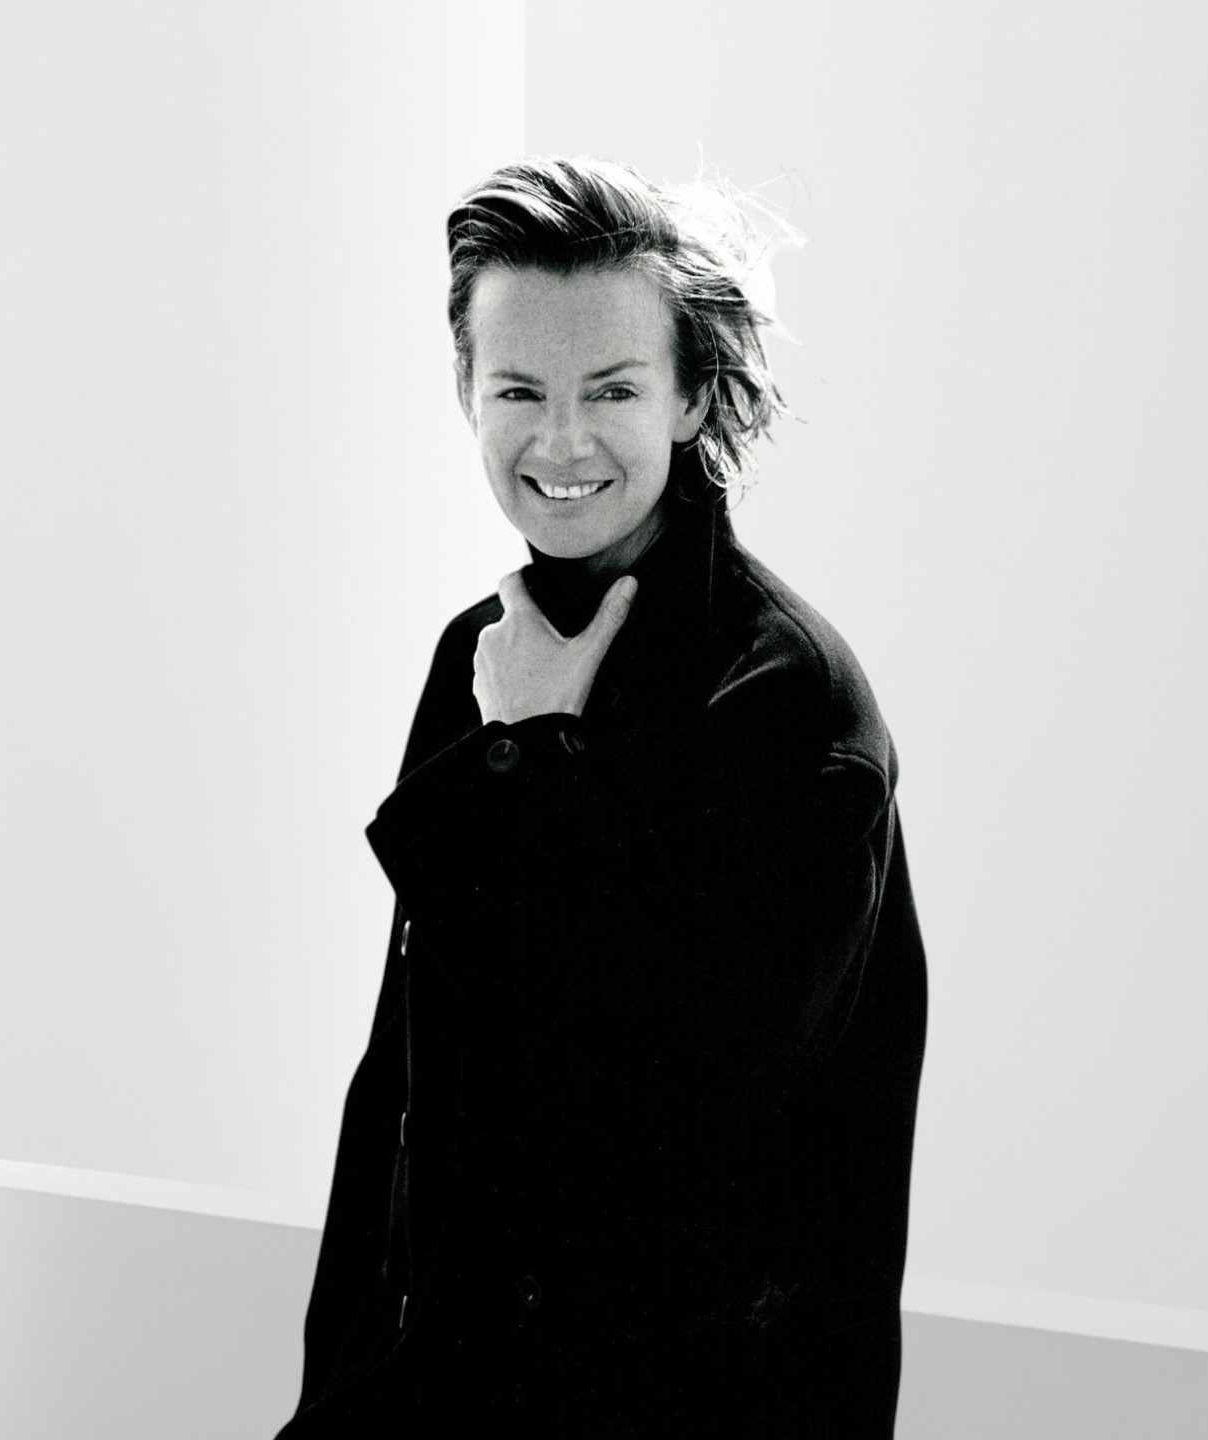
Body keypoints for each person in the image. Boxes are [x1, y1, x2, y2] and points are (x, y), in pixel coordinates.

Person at [274, 155, 927, 1438]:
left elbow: (665, 1120)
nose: (560, 441)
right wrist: (335, 1390)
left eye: (612, 389)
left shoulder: (788, 701)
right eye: (518, 389)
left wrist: (541, 754)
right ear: (465, 391)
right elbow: (407, 1086)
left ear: (692, 398)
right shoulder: (485, 655)